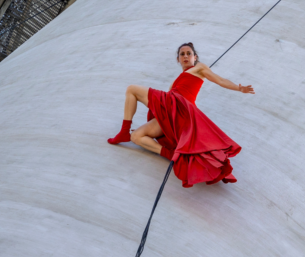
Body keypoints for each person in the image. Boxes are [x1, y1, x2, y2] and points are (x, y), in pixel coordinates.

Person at [107, 42, 254, 187]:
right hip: (172, 113)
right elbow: (167, 105)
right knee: (136, 136)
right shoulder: (175, 81)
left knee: (132, 89)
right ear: (178, 59)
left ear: (195, 57)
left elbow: (220, 80)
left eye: (189, 53)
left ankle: (124, 131)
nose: (185, 56)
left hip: (180, 107)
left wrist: (239, 88)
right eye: (182, 54)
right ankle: (171, 155)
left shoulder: (199, 68)